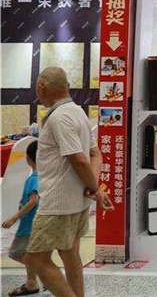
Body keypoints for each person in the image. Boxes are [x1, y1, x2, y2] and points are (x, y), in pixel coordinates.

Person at [26, 67, 113, 297]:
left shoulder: (59, 118)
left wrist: (95, 189)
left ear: (41, 88)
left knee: (35, 258)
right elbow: (95, 154)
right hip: (77, 202)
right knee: (70, 252)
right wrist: (93, 188)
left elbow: (80, 160)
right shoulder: (77, 112)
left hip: (58, 203)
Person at [2, 141, 41, 297]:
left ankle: (45, 272)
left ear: (28, 159)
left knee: (16, 252)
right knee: (28, 252)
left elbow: (33, 200)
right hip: (34, 223)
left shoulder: (33, 179)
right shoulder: (43, 176)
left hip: (29, 225)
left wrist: (14, 217)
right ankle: (32, 282)